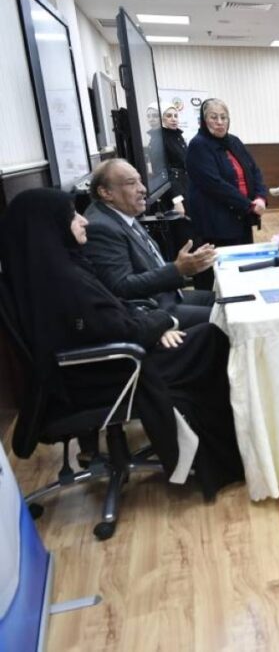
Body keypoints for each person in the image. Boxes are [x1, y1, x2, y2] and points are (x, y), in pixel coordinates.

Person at [0, 189, 245, 500]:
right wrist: (162, 323)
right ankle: (226, 456)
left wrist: (152, 326)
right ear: (49, 226)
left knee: (203, 337)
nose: (83, 221)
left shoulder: (47, 271)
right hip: (112, 372)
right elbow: (113, 327)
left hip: (108, 361)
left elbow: (111, 315)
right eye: (72, 216)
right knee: (211, 339)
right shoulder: (62, 280)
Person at [83, 159, 217, 329]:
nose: (142, 189)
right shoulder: (100, 227)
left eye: (140, 181)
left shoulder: (122, 212)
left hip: (166, 296)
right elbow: (120, 287)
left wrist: (189, 263)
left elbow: (147, 266)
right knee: (225, 317)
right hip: (151, 311)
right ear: (105, 192)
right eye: (131, 183)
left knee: (230, 301)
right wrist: (178, 269)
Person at [185, 98, 267, 250]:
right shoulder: (198, 145)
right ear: (203, 120)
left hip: (242, 216)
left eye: (223, 117)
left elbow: (254, 170)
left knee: (245, 258)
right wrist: (248, 205)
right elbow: (214, 184)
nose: (220, 122)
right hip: (218, 223)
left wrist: (260, 197)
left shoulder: (234, 141)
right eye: (213, 117)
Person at [160, 106, 188, 215]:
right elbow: (165, 171)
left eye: (176, 116)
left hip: (187, 184)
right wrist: (177, 199)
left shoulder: (178, 136)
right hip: (177, 188)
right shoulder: (161, 138)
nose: (173, 119)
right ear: (163, 119)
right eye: (169, 116)